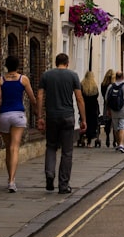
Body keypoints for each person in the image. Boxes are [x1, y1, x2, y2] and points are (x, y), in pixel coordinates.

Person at [36, 53, 86, 194]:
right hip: (68, 117)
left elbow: (39, 96)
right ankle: (63, 185)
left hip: (52, 117)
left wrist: (40, 116)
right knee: (67, 151)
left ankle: (50, 174)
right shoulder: (73, 76)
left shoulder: (46, 75)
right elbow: (79, 98)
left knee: (51, 146)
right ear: (67, 63)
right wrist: (83, 119)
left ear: (56, 62)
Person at [0, 55, 36, 192]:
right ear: (18, 66)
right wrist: (38, 113)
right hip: (18, 115)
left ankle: (10, 178)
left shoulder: (1, 80)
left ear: (6, 66)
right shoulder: (23, 79)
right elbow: (32, 98)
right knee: (15, 148)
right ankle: (11, 181)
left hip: (4, 115)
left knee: (8, 148)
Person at [79, 71, 101, 148]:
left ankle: (82, 136)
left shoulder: (82, 85)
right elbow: (97, 95)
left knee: (84, 121)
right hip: (93, 107)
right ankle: (89, 141)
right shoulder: (94, 86)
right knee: (92, 123)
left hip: (84, 106)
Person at [100, 70, 115, 148]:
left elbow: (103, 96)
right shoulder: (113, 85)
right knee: (114, 122)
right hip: (114, 106)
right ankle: (115, 140)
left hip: (106, 105)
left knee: (107, 122)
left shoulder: (103, 84)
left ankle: (107, 137)